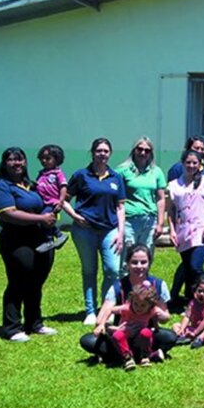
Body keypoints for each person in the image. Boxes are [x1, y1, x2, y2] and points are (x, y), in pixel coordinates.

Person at [0, 147, 60, 342]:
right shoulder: (2, 186)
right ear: (5, 164)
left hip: (40, 239)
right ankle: (12, 328)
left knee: (36, 281)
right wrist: (41, 217)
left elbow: (47, 201)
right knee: (19, 280)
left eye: (20, 159)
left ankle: (34, 323)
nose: (17, 163)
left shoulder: (31, 184)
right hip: (16, 240)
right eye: (12, 160)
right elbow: (8, 213)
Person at [64, 137, 126, 326]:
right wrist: (74, 216)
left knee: (113, 270)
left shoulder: (116, 177)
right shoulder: (81, 175)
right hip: (85, 230)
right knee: (89, 270)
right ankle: (90, 311)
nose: (102, 154)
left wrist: (121, 232)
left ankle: (106, 309)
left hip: (110, 230)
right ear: (92, 153)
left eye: (106, 151)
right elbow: (64, 199)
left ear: (110, 154)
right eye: (99, 150)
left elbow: (120, 206)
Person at [82, 244, 177, 363]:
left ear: (149, 263)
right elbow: (102, 315)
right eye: (134, 262)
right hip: (122, 331)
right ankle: (143, 354)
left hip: (145, 333)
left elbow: (165, 318)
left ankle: (121, 355)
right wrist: (105, 326)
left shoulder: (158, 285)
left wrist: (160, 314)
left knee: (170, 337)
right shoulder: (118, 287)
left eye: (143, 262)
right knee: (87, 341)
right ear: (127, 264)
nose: (139, 266)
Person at [166, 149, 204, 308]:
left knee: (196, 266)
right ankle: (192, 302)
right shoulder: (174, 185)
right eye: (188, 162)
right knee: (188, 269)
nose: (191, 165)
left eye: (194, 162)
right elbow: (171, 210)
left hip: (201, 231)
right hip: (183, 231)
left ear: (200, 164)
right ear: (182, 163)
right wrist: (172, 230)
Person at [114, 137, 167, 255]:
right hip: (129, 220)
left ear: (151, 153)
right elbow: (114, 195)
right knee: (127, 256)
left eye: (147, 150)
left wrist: (160, 223)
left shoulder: (156, 171)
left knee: (146, 255)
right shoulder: (122, 170)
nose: (143, 153)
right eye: (140, 149)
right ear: (134, 150)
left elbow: (161, 199)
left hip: (149, 220)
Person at [107, 282, 168, 370]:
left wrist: (159, 318)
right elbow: (110, 310)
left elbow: (165, 317)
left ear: (150, 305)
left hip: (140, 335)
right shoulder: (127, 308)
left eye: (143, 305)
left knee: (146, 332)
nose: (138, 308)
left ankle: (145, 356)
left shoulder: (152, 310)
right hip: (126, 332)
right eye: (136, 304)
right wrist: (106, 324)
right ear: (132, 301)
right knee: (117, 335)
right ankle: (127, 358)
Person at [33, 144, 69, 253]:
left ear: (56, 159)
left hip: (52, 202)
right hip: (42, 202)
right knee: (43, 220)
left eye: (48, 158)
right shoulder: (41, 173)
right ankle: (59, 235)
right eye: (42, 158)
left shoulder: (58, 173)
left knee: (45, 219)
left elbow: (63, 187)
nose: (44, 161)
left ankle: (48, 241)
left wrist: (61, 201)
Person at [172, 274, 204, 347]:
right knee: (175, 325)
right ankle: (184, 336)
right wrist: (182, 328)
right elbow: (187, 316)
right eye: (199, 291)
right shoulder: (193, 302)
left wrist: (195, 332)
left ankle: (198, 338)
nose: (202, 294)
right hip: (193, 327)